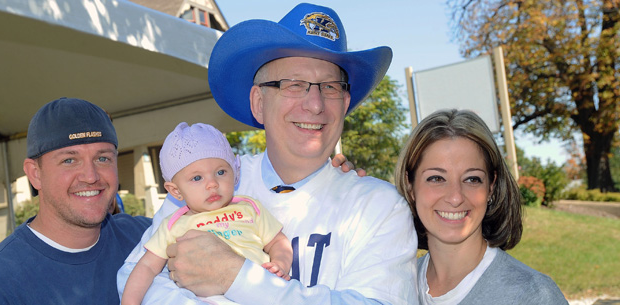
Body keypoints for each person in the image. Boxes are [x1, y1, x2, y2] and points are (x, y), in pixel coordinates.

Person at [117, 3, 418, 304]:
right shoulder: (207, 180)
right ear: (258, 102)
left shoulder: (378, 207)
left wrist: (236, 277)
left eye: (330, 87)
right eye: (294, 85)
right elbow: (134, 276)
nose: (315, 104)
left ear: (345, 101)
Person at [0, 97, 152, 304]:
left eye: (103, 158)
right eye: (69, 160)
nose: (91, 176)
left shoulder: (148, 238)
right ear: (35, 174)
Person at [394, 109, 567, 304]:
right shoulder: (392, 288)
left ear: (491, 187)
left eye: (472, 179)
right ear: (410, 186)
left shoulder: (532, 296)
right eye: (436, 178)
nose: (455, 197)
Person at [121, 122, 292, 305]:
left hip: (256, 293)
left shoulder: (249, 208)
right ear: (175, 191)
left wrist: (280, 264)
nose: (212, 184)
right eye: (197, 178)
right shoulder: (173, 224)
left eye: (220, 172)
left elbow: (278, 241)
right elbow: (146, 266)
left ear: (235, 174)